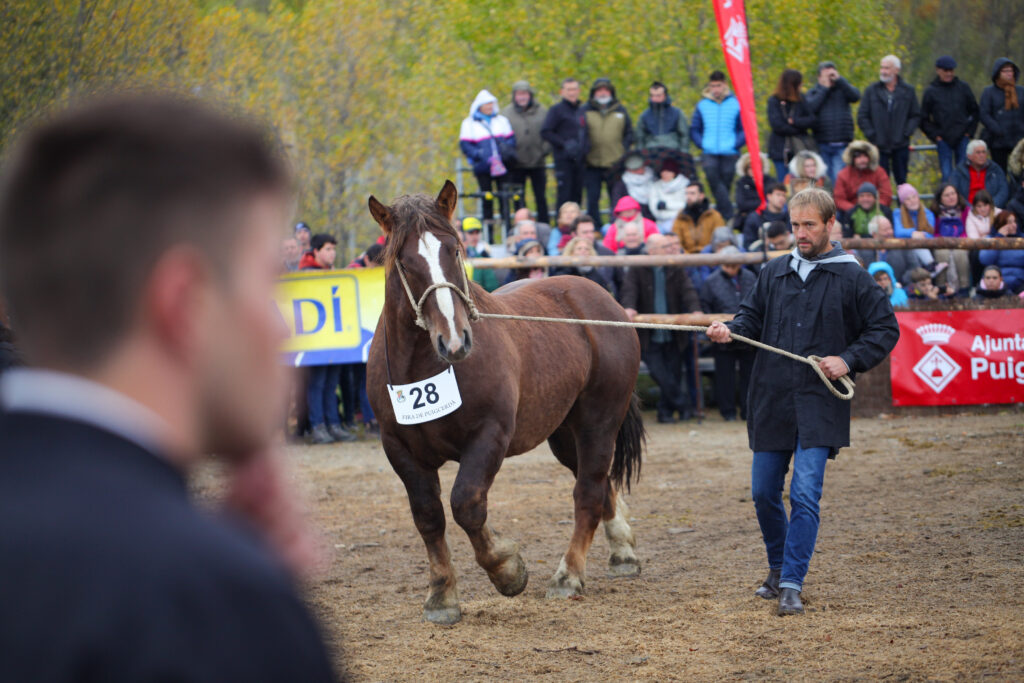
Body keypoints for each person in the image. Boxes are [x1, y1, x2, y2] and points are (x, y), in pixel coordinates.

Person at [0, 94, 338, 681]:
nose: (285, 323)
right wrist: (247, 612)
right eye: (265, 281)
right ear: (186, 303)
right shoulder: (210, 606)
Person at [706, 188, 900, 616]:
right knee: (762, 492)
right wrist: (730, 330)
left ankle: (792, 581)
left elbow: (885, 328)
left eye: (809, 224)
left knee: (805, 493)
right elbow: (750, 321)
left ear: (830, 224)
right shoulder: (775, 271)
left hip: (819, 402)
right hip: (771, 398)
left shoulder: (851, 276)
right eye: (795, 225)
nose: (801, 233)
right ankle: (777, 568)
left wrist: (847, 359)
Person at [621, 233, 701, 423]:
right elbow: (629, 290)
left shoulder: (674, 267)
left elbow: (688, 291)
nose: (670, 250)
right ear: (652, 251)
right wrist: (629, 307)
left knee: (673, 373)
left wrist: (696, 310)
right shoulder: (637, 268)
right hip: (648, 336)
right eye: (665, 247)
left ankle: (665, 414)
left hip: (673, 334)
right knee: (662, 375)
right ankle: (683, 406)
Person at [299, 234, 357, 445]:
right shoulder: (305, 274)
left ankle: (333, 424)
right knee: (318, 383)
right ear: (316, 251)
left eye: (333, 249)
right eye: (327, 249)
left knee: (331, 383)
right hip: (315, 340)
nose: (332, 253)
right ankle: (317, 426)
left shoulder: (333, 273)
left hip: (336, 338)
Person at [699, 248, 757, 421]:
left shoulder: (749, 277)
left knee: (750, 374)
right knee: (724, 376)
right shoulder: (711, 281)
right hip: (722, 335)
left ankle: (748, 410)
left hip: (747, 334)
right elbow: (706, 306)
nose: (732, 268)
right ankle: (728, 411)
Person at [857, 55, 921, 184]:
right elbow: (862, 115)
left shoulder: (908, 91)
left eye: (887, 68)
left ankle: (902, 205)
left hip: (901, 145)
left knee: (902, 183)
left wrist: (906, 133)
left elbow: (915, 115)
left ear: (896, 70)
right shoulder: (871, 91)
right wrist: (872, 135)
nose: (883, 71)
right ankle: (883, 205)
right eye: (882, 67)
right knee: (880, 183)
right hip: (878, 146)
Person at [690, 70, 745, 220]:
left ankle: (720, 218)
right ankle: (727, 215)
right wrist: (702, 144)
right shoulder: (702, 105)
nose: (716, 89)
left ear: (725, 85)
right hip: (709, 151)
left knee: (726, 184)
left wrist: (736, 144)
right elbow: (695, 128)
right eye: (713, 86)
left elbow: (744, 128)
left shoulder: (736, 103)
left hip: (730, 151)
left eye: (718, 86)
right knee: (712, 179)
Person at [459, 89, 516, 225]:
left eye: (491, 104)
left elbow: (511, 140)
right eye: (486, 104)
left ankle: (506, 228)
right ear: (479, 106)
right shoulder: (469, 124)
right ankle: (488, 232)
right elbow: (465, 145)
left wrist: (504, 152)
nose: (489, 107)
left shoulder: (502, 121)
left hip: (503, 166)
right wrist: (479, 155)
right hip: (483, 167)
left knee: (504, 198)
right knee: (487, 198)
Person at [920, 56, 979, 183]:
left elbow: (975, 111)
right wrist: (935, 136)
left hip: (962, 137)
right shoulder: (931, 92)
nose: (949, 73)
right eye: (945, 70)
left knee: (964, 174)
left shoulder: (963, 88)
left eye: (951, 70)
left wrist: (969, 132)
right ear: (938, 70)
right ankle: (947, 202)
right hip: (943, 139)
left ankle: (964, 202)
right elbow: (923, 118)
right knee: (947, 175)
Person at [583, 77, 633, 224]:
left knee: (616, 198)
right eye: (599, 90)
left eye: (606, 90)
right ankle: (595, 228)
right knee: (592, 198)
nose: (602, 93)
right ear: (594, 93)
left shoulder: (621, 110)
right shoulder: (585, 110)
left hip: (615, 163)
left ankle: (617, 226)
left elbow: (629, 132)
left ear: (611, 92)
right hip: (592, 163)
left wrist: (623, 149)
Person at [502, 80, 550, 225]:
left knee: (540, 197)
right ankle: (520, 226)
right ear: (514, 96)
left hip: (538, 162)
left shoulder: (542, 111)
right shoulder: (506, 113)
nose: (522, 97)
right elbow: (501, 137)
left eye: (525, 93)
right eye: (519, 94)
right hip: (516, 164)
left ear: (530, 95)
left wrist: (544, 151)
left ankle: (544, 225)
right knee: (517, 198)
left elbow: (548, 132)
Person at [804, 60, 861, 183]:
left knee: (838, 177)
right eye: (826, 76)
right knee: (824, 178)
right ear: (819, 77)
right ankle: (828, 202)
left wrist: (840, 81)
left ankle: (837, 202)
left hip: (842, 143)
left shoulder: (843, 90)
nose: (830, 79)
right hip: (822, 143)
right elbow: (810, 108)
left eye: (832, 75)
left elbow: (856, 96)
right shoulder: (814, 92)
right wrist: (824, 89)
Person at [542, 77, 588, 210]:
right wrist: (564, 144)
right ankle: (562, 226)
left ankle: (576, 227)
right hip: (564, 160)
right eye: (568, 90)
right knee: (564, 195)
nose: (572, 93)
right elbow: (546, 131)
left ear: (578, 91)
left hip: (580, 159)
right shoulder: (556, 110)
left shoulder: (583, 110)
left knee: (578, 194)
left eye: (574, 89)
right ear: (562, 91)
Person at [767, 69, 816, 183]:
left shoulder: (801, 99)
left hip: (799, 149)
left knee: (802, 182)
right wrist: (798, 130)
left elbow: (812, 119)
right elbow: (777, 125)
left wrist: (794, 121)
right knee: (785, 183)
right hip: (781, 150)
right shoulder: (774, 100)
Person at [979, 58, 1024, 172]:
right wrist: (997, 129)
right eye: (1005, 71)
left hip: (1019, 140)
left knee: (1019, 173)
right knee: (999, 172)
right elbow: (984, 114)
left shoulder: (1020, 91)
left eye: (1011, 70)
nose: (1009, 73)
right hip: (998, 141)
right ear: (998, 73)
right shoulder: (989, 92)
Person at [834, 140, 892, 215]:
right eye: (859, 156)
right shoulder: (843, 174)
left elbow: (886, 195)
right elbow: (839, 199)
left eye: (865, 156)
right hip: (852, 212)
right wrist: (856, 211)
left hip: (876, 211)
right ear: (852, 158)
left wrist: (873, 209)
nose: (863, 160)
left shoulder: (879, 172)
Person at [950, 139, 1009, 207]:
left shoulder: (995, 169)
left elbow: (1003, 191)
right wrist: (970, 209)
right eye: (978, 152)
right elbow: (955, 192)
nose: (982, 155)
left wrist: (991, 206)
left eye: (984, 152)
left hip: (992, 208)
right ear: (969, 156)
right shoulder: (959, 171)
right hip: (967, 210)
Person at [636, 81, 689, 153]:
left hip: (673, 153)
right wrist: (640, 155)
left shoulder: (677, 113)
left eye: (658, 95)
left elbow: (684, 135)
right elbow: (640, 138)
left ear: (665, 95)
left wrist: (684, 153)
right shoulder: (644, 116)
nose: (655, 98)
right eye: (652, 95)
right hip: (651, 154)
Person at [673, 182, 726, 254]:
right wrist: (687, 256)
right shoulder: (681, 216)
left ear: (701, 195)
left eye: (692, 193)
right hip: (686, 259)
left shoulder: (714, 215)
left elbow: (720, 240)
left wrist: (707, 254)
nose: (688, 196)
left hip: (710, 258)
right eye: (686, 193)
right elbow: (675, 240)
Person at [980, 211, 1024, 293]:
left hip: (1021, 279)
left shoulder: (1021, 239)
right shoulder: (991, 238)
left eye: (1014, 221)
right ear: (1001, 225)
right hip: (997, 281)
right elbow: (985, 260)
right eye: (1010, 222)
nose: (1014, 225)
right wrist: (998, 239)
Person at [733, 152, 773, 233]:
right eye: (750, 167)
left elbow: (772, 200)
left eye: (756, 167)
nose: (753, 170)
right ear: (746, 169)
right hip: (747, 218)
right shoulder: (741, 182)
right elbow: (741, 204)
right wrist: (761, 203)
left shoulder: (769, 181)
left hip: (768, 216)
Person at [742, 183, 789, 250]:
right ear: (769, 196)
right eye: (778, 195)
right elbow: (748, 245)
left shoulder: (789, 217)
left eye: (784, 195)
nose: (782, 198)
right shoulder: (755, 218)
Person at [648, 158, 689, 231]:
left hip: (681, 221)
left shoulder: (685, 185)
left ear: (674, 173)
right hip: (660, 223)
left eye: (668, 171)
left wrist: (666, 205)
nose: (665, 174)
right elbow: (654, 208)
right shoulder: (655, 186)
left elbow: (685, 205)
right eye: (663, 171)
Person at [462, 216, 501, 292]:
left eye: (477, 232)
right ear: (463, 234)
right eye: (471, 233)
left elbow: (492, 286)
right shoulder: (458, 254)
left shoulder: (485, 253)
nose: (475, 236)